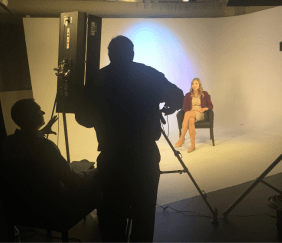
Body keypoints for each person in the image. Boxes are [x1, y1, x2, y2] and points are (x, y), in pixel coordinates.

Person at [75, 35, 184, 242]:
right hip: (145, 155)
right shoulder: (148, 74)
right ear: (132, 53)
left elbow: (83, 119)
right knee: (144, 212)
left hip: (111, 156)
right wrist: (172, 106)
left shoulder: (97, 79)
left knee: (112, 211)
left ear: (110, 55)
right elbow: (177, 94)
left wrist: (103, 113)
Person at [1, 99, 102, 225]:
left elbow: (27, 145)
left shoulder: (8, 143)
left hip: (25, 208)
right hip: (57, 208)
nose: (43, 112)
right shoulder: (46, 146)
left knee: (83, 163)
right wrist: (94, 172)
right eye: (38, 110)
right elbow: (72, 180)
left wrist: (40, 132)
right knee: (98, 175)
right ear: (31, 116)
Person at [174, 78, 213, 152]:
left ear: (199, 85)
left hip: (200, 113)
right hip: (191, 113)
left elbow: (211, 106)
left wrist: (203, 109)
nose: (194, 85)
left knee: (188, 114)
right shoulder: (188, 95)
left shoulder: (205, 93)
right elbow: (185, 108)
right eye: (193, 84)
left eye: (196, 84)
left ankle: (181, 138)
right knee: (191, 119)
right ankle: (193, 145)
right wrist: (190, 110)